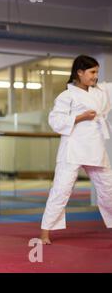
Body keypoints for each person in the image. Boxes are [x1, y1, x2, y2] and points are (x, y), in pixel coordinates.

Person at [40, 55, 112, 244]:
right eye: (92, 72)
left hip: (95, 146)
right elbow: (55, 121)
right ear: (79, 72)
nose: (96, 76)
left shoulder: (100, 92)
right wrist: (80, 117)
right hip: (73, 148)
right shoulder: (67, 96)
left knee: (108, 189)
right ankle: (45, 232)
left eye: (97, 72)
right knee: (61, 189)